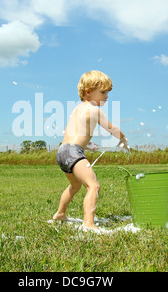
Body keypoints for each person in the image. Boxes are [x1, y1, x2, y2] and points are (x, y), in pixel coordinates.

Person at [53, 70, 130, 230]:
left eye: (107, 92)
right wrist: (123, 138)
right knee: (93, 186)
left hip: (62, 152)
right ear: (88, 92)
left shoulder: (77, 109)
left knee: (75, 186)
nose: (106, 96)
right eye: (103, 92)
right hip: (73, 152)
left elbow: (72, 132)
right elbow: (111, 128)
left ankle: (60, 213)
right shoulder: (94, 110)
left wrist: (86, 144)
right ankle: (88, 224)